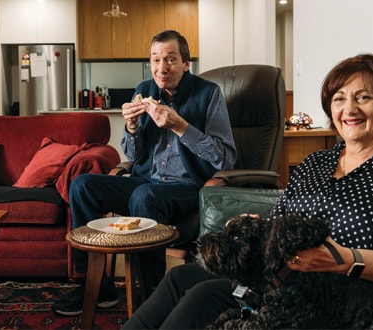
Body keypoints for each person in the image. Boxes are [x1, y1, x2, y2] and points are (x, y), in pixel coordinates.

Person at [122, 53, 373, 329]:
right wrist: (259, 227)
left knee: (204, 295)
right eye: (339, 99)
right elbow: (280, 218)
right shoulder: (316, 162)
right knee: (181, 279)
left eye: (363, 97)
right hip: (280, 278)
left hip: (342, 295)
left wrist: (343, 260)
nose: (350, 108)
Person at [51, 30, 236, 316]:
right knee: (82, 185)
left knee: (144, 196)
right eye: (156, 60)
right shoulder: (145, 89)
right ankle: (95, 285)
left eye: (171, 59)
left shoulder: (209, 94)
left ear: (186, 63)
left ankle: (153, 295)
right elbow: (134, 157)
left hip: (189, 188)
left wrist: (180, 126)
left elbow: (225, 158)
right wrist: (131, 128)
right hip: (147, 181)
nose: (163, 68)